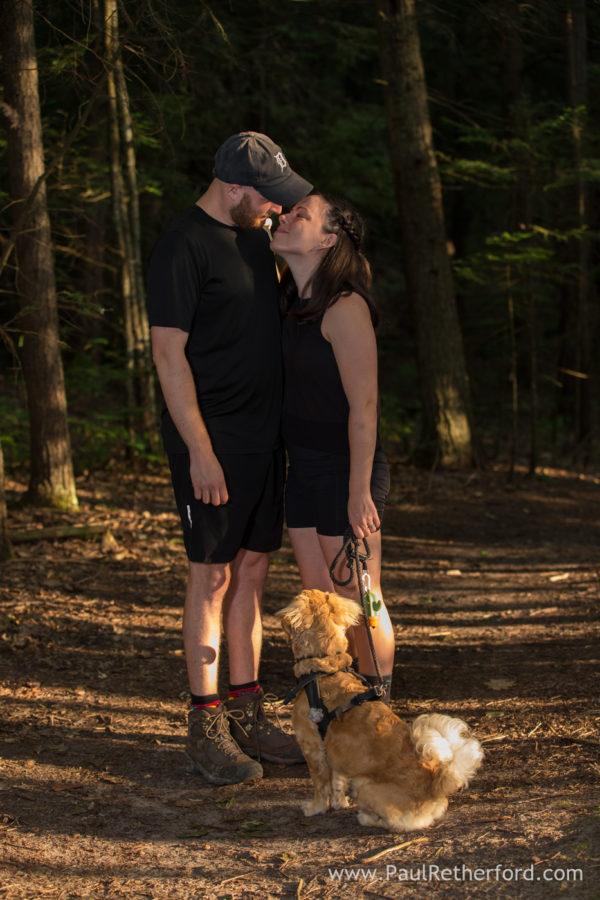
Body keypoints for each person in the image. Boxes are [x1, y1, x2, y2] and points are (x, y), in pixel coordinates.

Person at [146, 132, 313, 786]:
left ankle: (247, 709)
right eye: (268, 198)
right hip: (211, 443)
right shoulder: (182, 247)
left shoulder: (256, 239)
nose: (276, 208)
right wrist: (200, 452)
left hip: (264, 440)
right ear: (236, 187)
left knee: (250, 572)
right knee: (210, 579)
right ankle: (205, 721)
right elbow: (168, 356)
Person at [270, 192, 395, 700]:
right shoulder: (288, 302)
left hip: (347, 470)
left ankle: (378, 706)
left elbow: (365, 408)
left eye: (302, 213)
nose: (286, 215)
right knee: (321, 600)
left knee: (361, 598)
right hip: (301, 467)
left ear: (328, 239)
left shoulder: (346, 308)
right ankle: (336, 704)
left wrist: (359, 491)